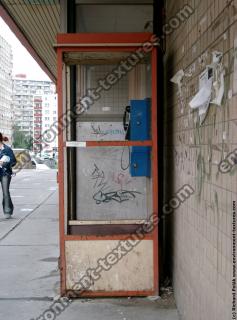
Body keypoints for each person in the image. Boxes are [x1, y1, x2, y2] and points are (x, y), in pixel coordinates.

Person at [0, 133, 16, 219]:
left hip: (5, 173)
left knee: (5, 192)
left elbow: (14, 161)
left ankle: (8, 211)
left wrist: (5, 163)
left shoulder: (7, 149)